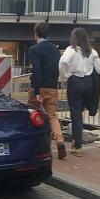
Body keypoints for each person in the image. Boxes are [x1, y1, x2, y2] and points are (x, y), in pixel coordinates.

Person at [59, 27, 100, 157]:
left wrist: (65, 76)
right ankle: (77, 141)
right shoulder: (92, 51)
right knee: (80, 112)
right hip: (89, 83)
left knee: (76, 114)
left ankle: (77, 145)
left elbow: (63, 62)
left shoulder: (71, 50)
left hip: (75, 82)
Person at [28, 22, 66, 159]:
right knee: (52, 116)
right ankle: (60, 140)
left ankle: (34, 145)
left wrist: (37, 91)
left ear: (36, 33)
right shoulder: (55, 50)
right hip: (52, 86)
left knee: (32, 115)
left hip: (38, 87)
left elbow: (36, 71)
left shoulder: (34, 49)